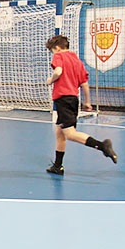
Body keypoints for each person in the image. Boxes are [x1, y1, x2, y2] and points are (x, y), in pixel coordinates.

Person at [44, 35, 117, 175]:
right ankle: (58, 166)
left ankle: (102, 146)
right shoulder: (77, 61)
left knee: (70, 134)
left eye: (53, 50)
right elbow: (84, 84)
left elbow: (58, 71)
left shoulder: (59, 56)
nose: (53, 53)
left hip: (63, 99)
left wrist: (50, 80)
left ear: (58, 48)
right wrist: (88, 102)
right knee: (59, 132)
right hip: (73, 99)